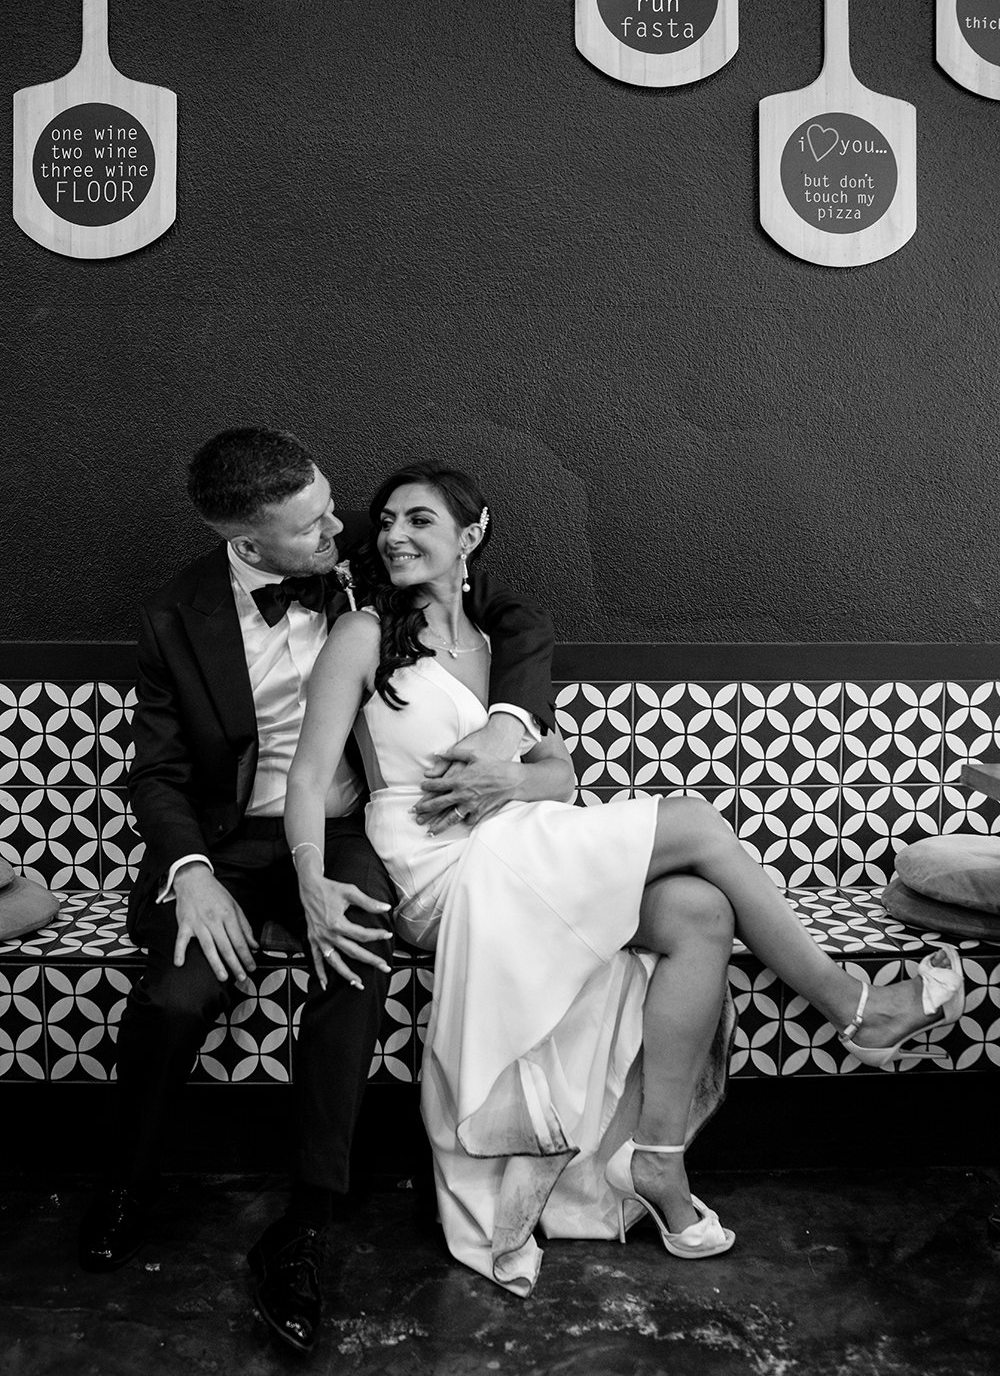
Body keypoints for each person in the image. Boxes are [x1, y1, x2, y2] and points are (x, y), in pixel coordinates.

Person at [285, 460, 967, 1298]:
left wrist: (512, 777)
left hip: (521, 839)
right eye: (386, 521)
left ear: (470, 538)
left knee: (698, 913)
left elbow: (560, 776)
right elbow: (308, 778)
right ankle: (852, 1005)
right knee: (694, 821)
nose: (393, 535)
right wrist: (313, 884)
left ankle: (658, 1161)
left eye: (419, 520)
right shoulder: (361, 637)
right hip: (442, 865)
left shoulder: (500, 649)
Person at [77, 429, 557, 1354]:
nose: (343, 528)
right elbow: (160, 775)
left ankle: (307, 1224)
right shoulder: (175, 613)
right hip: (221, 847)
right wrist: (193, 876)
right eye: (312, 524)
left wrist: (511, 720)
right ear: (250, 544)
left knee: (355, 960)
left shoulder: (376, 575)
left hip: (341, 834)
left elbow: (511, 617)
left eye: (334, 505)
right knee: (178, 995)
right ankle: (125, 1183)